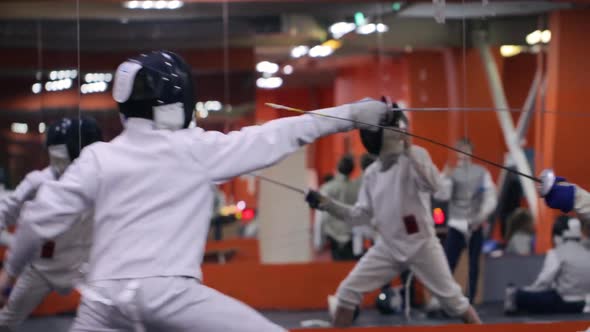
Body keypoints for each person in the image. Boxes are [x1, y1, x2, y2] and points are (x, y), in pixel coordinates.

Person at [0, 51, 389, 332]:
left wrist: (9, 274)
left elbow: (36, 219)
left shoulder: (99, 157)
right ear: (176, 105)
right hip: (169, 296)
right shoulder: (195, 149)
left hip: (102, 303)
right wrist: (352, 114)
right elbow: (280, 134)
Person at [305, 103, 481, 327]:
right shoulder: (372, 174)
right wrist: (326, 204)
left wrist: (409, 150)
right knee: (347, 292)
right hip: (387, 247)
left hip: (422, 246)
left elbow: (437, 187)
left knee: (454, 302)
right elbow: (359, 215)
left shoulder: (415, 156)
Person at [0, 116, 102, 330]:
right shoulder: (39, 181)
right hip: (44, 265)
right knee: (7, 320)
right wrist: (10, 272)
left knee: (104, 319)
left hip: (87, 266)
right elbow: (9, 211)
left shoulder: (103, 179)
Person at [434, 138, 497, 303]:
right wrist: (445, 178)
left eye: (466, 150)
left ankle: (471, 300)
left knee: (474, 265)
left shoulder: (482, 172)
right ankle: (444, 299)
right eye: (460, 150)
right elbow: (442, 195)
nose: (463, 153)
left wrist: (480, 217)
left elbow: (491, 198)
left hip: (475, 225)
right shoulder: (451, 172)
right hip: (456, 225)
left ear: (471, 151)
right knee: (448, 264)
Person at [504, 216, 590, 314]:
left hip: (565, 303)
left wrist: (528, 291)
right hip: (585, 303)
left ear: (557, 236)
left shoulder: (556, 253)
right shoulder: (587, 252)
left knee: (522, 295)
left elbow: (543, 282)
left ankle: (515, 297)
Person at [317, 155, 359, 260]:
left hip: (333, 237)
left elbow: (321, 216)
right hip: (351, 237)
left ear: (337, 167)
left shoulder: (327, 188)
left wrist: (318, 241)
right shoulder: (356, 187)